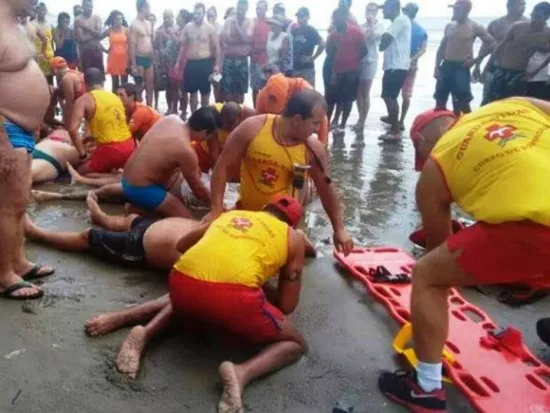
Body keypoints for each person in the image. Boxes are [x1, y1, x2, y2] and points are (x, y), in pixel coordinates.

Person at [379, 96, 550, 413]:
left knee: (428, 276)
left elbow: (437, 253)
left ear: (420, 141)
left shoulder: (435, 165)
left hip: (537, 230)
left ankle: (426, 388)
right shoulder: (513, 104)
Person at [83, 195, 311, 413]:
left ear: (263, 210)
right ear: (293, 224)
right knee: (295, 343)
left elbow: (182, 245)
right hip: (232, 298)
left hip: (181, 280)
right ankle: (241, 373)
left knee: (189, 297)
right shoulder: (292, 237)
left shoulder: (231, 216)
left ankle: (144, 334)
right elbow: (287, 304)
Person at [209, 90, 354, 255]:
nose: (317, 129)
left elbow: (326, 188)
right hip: (246, 214)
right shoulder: (253, 128)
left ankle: (301, 239)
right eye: (315, 123)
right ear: (297, 119)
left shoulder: (313, 148)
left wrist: (339, 229)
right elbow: (223, 167)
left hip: (284, 227)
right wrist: (216, 208)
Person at [0, 0, 54, 300]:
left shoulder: (15, 22)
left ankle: (17, 261)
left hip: (21, 127)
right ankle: (3, 274)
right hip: (6, 128)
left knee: (19, 202)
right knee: (9, 205)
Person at [26, 193, 200, 271]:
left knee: (88, 236)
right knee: (132, 217)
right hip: (156, 226)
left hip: (141, 247)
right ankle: (101, 217)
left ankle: (38, 234)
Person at [121, 111, 216, 217]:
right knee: (187, 219)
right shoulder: (185, 150)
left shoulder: (171, 119)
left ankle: (140, 207)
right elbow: (197, 189)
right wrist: (216, 204)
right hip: (139, 189)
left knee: (177, 175)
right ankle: (138, 208)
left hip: (125, 179)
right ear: (204, 132)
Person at [69, 68, 135, 174]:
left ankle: (110, 179)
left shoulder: (83, 100)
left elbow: (72, 129)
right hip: (129, 145)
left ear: (84, 83)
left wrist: (83, 154)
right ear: (102, 81)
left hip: (111, 149)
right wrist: (92, 138)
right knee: (106, 165)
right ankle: (115, 176)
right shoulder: (115, 97)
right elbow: (114, 124)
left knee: (80, 172)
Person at [434, 0, 495, 115]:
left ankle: (467, 126)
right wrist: (437, 67)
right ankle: (442, 128)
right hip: (446, 65)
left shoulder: (474, 26)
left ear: (466, 11)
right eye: (454, 9)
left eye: (457, 9)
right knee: (440, 101)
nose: (455, 11)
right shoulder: (449, 26)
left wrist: (475, 60)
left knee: (462, 103)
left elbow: (492, 44)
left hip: (461, 67)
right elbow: (441, 48)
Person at [482, 2, 550, 104]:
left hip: (519, 74)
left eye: (538, 17)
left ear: (546, 18)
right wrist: (486, 68)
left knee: (512, 106)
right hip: (501, 71)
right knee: (489, 103)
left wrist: (535, 71)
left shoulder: (546, 34)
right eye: (532, 16)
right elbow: (500, 46)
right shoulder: (518, 27)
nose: (534, 20)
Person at [473, 0, 527, 102]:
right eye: (520, 4)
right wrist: (477, 66)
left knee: (513, 102)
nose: (523, 7)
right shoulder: (496, 24)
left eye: (524, 4)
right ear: (510, 6)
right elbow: (486, 46)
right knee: (489, 100)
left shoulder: (527, 24)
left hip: (517, 69)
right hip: (495, 67)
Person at [256, 71, 329, 144]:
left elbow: (322, 116)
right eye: (271, 99)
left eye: (276, 99)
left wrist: (321, 144)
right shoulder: (261, 98)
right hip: (276, 132)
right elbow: (260, 125)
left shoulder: (301, 87)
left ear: (287, 90)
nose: (273, 100)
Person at [326, 7, 367, 132]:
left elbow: (364, 51)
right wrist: (334, 69)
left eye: (336, 19)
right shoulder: (333, 35)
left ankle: (343, 124)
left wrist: (353, 60)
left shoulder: (357, 32)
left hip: (352, 71)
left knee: (348, 99)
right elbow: (329, 52)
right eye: (333, 19)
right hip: (337, 71)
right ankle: (327, 123)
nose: (334, 22)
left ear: (344, 18)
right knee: (331, 98)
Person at [175, 3, 221, 113]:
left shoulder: (210, 28)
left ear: (203, 14)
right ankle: (194, 117)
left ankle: (204, 118)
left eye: (199, 13)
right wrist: (177, 62)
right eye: (195, 13)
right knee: (193, 93)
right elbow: (182, 46)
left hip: (205, 63)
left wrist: (216, 65)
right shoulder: (188, 27)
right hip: (191, 63)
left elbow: (216, 47)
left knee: (205, 93)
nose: (197, 16)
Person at [378, 0, 411, 140]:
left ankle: (395, 130)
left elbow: (385, 40)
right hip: (395, 65)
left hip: (396, 66)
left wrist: (382, 41)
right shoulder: (398, 22)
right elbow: (384, 41)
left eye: (385, 9)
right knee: (389, 95)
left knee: (389, 96)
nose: (383, 12)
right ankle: (393, 119)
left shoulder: (400, 20)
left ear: (393, 8)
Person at [193, 102, 256, 173]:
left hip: (232, 150)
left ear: (240, 116)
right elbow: (214, 152)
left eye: (230, 125)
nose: (226, 129)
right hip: (206, 150)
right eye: (224, 126)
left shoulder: (252, 116)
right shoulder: (213, 116)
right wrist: (219, 174)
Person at [354, 2, 385, 132]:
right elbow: (359, 41)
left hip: (371, 61)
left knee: (365, 91)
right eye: (368, 10)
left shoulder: (380, 25)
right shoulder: (360, 26)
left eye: (373, 10)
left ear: (377, 12)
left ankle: (362, 120)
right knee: (357, 92)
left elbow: (372, 37)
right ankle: (359, 118)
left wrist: (372, 23)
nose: (370, 13)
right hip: (359, 61)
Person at [397, 3, 427, 131]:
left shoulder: (401, 26)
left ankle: (398, 119)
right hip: (411, 64)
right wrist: (413, 59)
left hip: (400, 64)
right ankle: (401, 120)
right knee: (405, 94)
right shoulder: (421, 30)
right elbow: (423, 49)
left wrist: (409, 59)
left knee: (395, 94)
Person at [220, 0, 252, 104]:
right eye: (239, 8)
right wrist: (240, 39)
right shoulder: (229, 20)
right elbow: (226, 38)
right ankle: (229, 113)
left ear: (246, 9)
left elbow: (248, 39)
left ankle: (240, 115)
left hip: (242, 59)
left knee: (241, 90)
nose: (240, 11)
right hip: (229, 59)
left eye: (243, 9)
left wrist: (237, 30)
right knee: (227, 89)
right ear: (236, 7)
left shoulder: (249, 21)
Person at [130, 0, 155, 107]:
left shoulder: (149, 23)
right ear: (143, 8)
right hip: (139, 59)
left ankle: (150, 109)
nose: (149, 10)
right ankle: (139, 110)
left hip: (149, 59)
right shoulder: (134, 24)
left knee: (150, 87)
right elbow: (132, 46)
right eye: (148, 7)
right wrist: (133, 65)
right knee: (139, 88)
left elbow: (151, 41)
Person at [291, 7, 325, 87]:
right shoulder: (295, 31)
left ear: (308, 17)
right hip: (295, 68)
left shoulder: (311, 30)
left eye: (302, 16)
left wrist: (313, 57)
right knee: (296, 94)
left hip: (307, 69)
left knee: (309, 93)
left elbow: (322, 43)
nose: (299, 19)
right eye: (298, 16)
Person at [51, 56, 85, 127]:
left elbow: (69, 105)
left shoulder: (67, 79)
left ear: (55, 70)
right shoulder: (77, 73)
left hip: (83, 107)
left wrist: (66, 126)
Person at [154, 10, 176, 112]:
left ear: (173, 17)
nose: (167, 19)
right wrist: (161, 65)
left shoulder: (177, 29)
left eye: (169, 17)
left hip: (178, 62)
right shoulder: (160, 31)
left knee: (178, 88)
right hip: (166, 64)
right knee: (169, 87)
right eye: (165, 17)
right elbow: (160, 49)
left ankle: (176, 108)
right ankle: (169, 108)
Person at [75, 0, 104, 73]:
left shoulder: (97, 18)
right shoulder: (78, 20)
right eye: (87, 6)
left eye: (91, 6)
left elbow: (100, 34)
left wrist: (86, 28)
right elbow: (82, 39)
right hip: (85, 51)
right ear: (83, 7)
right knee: (87, 75)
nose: (90, 8)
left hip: (97, 50)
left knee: (100, 75)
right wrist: (95, 35)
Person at [249, 0, 269, 106]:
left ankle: (264, 109)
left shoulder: (269, 22)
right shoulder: (252, 21)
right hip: (254, 60)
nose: (258, 11)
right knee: (255, 88)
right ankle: (255, 109)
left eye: (261, 8)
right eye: (257, 8)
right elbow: (248, 40)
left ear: (266, 9)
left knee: (266, 88)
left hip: (265, 61)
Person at [104, 10, 129, 93]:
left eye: (121, 19)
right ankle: (114, 103)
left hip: (124, 59)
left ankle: (124, 104)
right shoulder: (109, 31)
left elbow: (131, 44)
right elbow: (96, 40)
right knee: (115, 84)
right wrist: (105, 50)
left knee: (125, 83)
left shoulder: (126, 30)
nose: (119, 21)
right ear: (113, 20)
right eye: (117, 19)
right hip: (113, 59)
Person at [34, 2, 55, 85]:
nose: (42, 12)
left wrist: (54, 55)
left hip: (49, 56)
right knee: (38, 80)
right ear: (37, 11)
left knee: (50, 80)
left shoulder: (50, 25)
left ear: (46, 11)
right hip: (38, 56)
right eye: (40, 9)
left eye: (43, 10)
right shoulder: (33, 24)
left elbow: (52, 41)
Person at [273, 2, 294, 74]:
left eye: (276, 12)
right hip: (278, 66)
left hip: (289, 66)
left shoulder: (292, 25)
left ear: (283, 12)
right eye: (274, 12)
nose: (274, 14)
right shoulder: (275, 26)